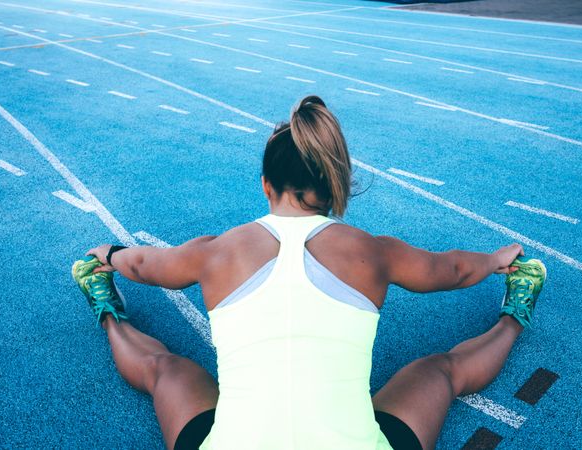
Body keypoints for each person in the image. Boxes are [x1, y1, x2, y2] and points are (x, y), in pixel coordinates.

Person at [74, 95, 546, 450]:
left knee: (165, 369)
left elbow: (144, 265)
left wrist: (110, 253)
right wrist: (495, 261)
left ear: (266, 186)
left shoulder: (215, 251)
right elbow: (453, 270)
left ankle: (105, 306)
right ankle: (515, 311)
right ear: (332, 184)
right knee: (440, 370)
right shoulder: (373, 252)